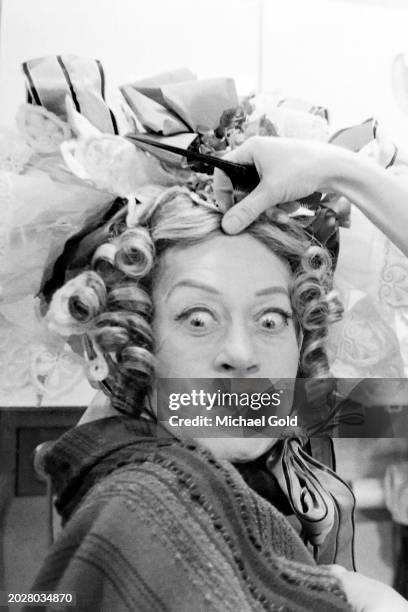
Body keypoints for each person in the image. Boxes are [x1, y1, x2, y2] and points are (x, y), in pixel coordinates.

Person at [25, 153, 408, 610]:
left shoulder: (210, 499)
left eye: (270, 320)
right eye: (199, 318)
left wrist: (342, 171)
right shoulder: (153, 511)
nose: (243, 355)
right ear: (135, 342)